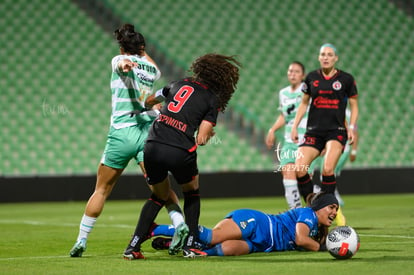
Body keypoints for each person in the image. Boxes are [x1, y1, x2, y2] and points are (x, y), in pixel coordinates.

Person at [69, 24, 184, 257]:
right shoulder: (152, 69)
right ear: (142, 48)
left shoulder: (118, 60)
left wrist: (125, 63)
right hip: (149, 132)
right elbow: (148, 62)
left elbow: (121, 64)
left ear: (122, 48)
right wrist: (140, 51)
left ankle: (81, 240)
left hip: (122, 132)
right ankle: (179, 223)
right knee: (161, 188)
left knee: (102, 189)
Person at [122, 53, 241, 260]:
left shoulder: (177, 83)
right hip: (179, 150)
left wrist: (155, 107)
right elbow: (202, 139)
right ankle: (191, 245)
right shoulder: (212, 99)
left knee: (159, 195)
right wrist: (209, 132)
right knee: (192, 192)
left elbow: (151, 100)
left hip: (153, 145)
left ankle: (133, 247)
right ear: (220, 80)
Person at [150, 192, 339, 256]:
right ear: (319, 207)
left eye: (336, 209)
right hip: (257, 223)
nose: (334, 212)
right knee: (211, 236)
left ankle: (178, 244)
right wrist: (323, 249)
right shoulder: (308, 214)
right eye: (331, 207)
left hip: (262, 244)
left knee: (226, 250)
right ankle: (154, 229)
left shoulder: (316, 226)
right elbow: (300, 238)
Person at [290, 43, 358, 204]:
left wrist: (352, 128)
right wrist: (294, 126)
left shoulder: (346, 79)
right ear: (319, 57)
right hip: (314, 131)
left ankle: (328, 210)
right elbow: (304, 104)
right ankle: (312, 206)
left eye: (329, 54)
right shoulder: (312, 78)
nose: (325, 57)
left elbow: (354, 106)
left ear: (336, 58)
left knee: (327, 169)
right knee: (299, 168)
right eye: (323, 54)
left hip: (336, 131)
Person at [265, 61, 308, 209]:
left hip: (307, 141)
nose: (293, 74)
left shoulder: (307, 91)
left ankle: (319, 211)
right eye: (290, 71)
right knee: (288, 174)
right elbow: (284, 115)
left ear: (303, 75)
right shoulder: (283, 93)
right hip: (289, 141)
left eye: (296, 71)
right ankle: (296, 214)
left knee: (305, 178)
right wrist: (272, 129)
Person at [312, 108, 359, 225]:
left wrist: (353, 151)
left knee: (327, 173)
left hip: (342, 147)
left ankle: (333, 202)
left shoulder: (347, 113)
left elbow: (354, 132)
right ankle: (331, 200)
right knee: (324, 174)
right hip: (328, 145)